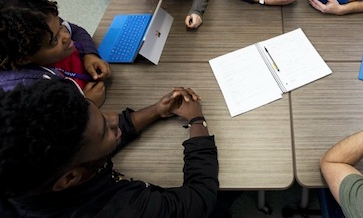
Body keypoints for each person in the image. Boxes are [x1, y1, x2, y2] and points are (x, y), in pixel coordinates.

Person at [0, 78, 219, 218]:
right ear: (70, 178)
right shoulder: (123, 210)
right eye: (106, 131)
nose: (115, 122)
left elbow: (85, 142)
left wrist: (156, 111)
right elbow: (198, 199)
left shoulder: (26, 173)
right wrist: (197, 120)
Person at [0, 0, 110, 107]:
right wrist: (86, 104)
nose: (66, 36)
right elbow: (53, 122)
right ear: (24, 58)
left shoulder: (45, 27)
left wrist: (90, 55)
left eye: (61, 26)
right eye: (54, 41)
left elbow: (75, 31)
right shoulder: (29, 91)